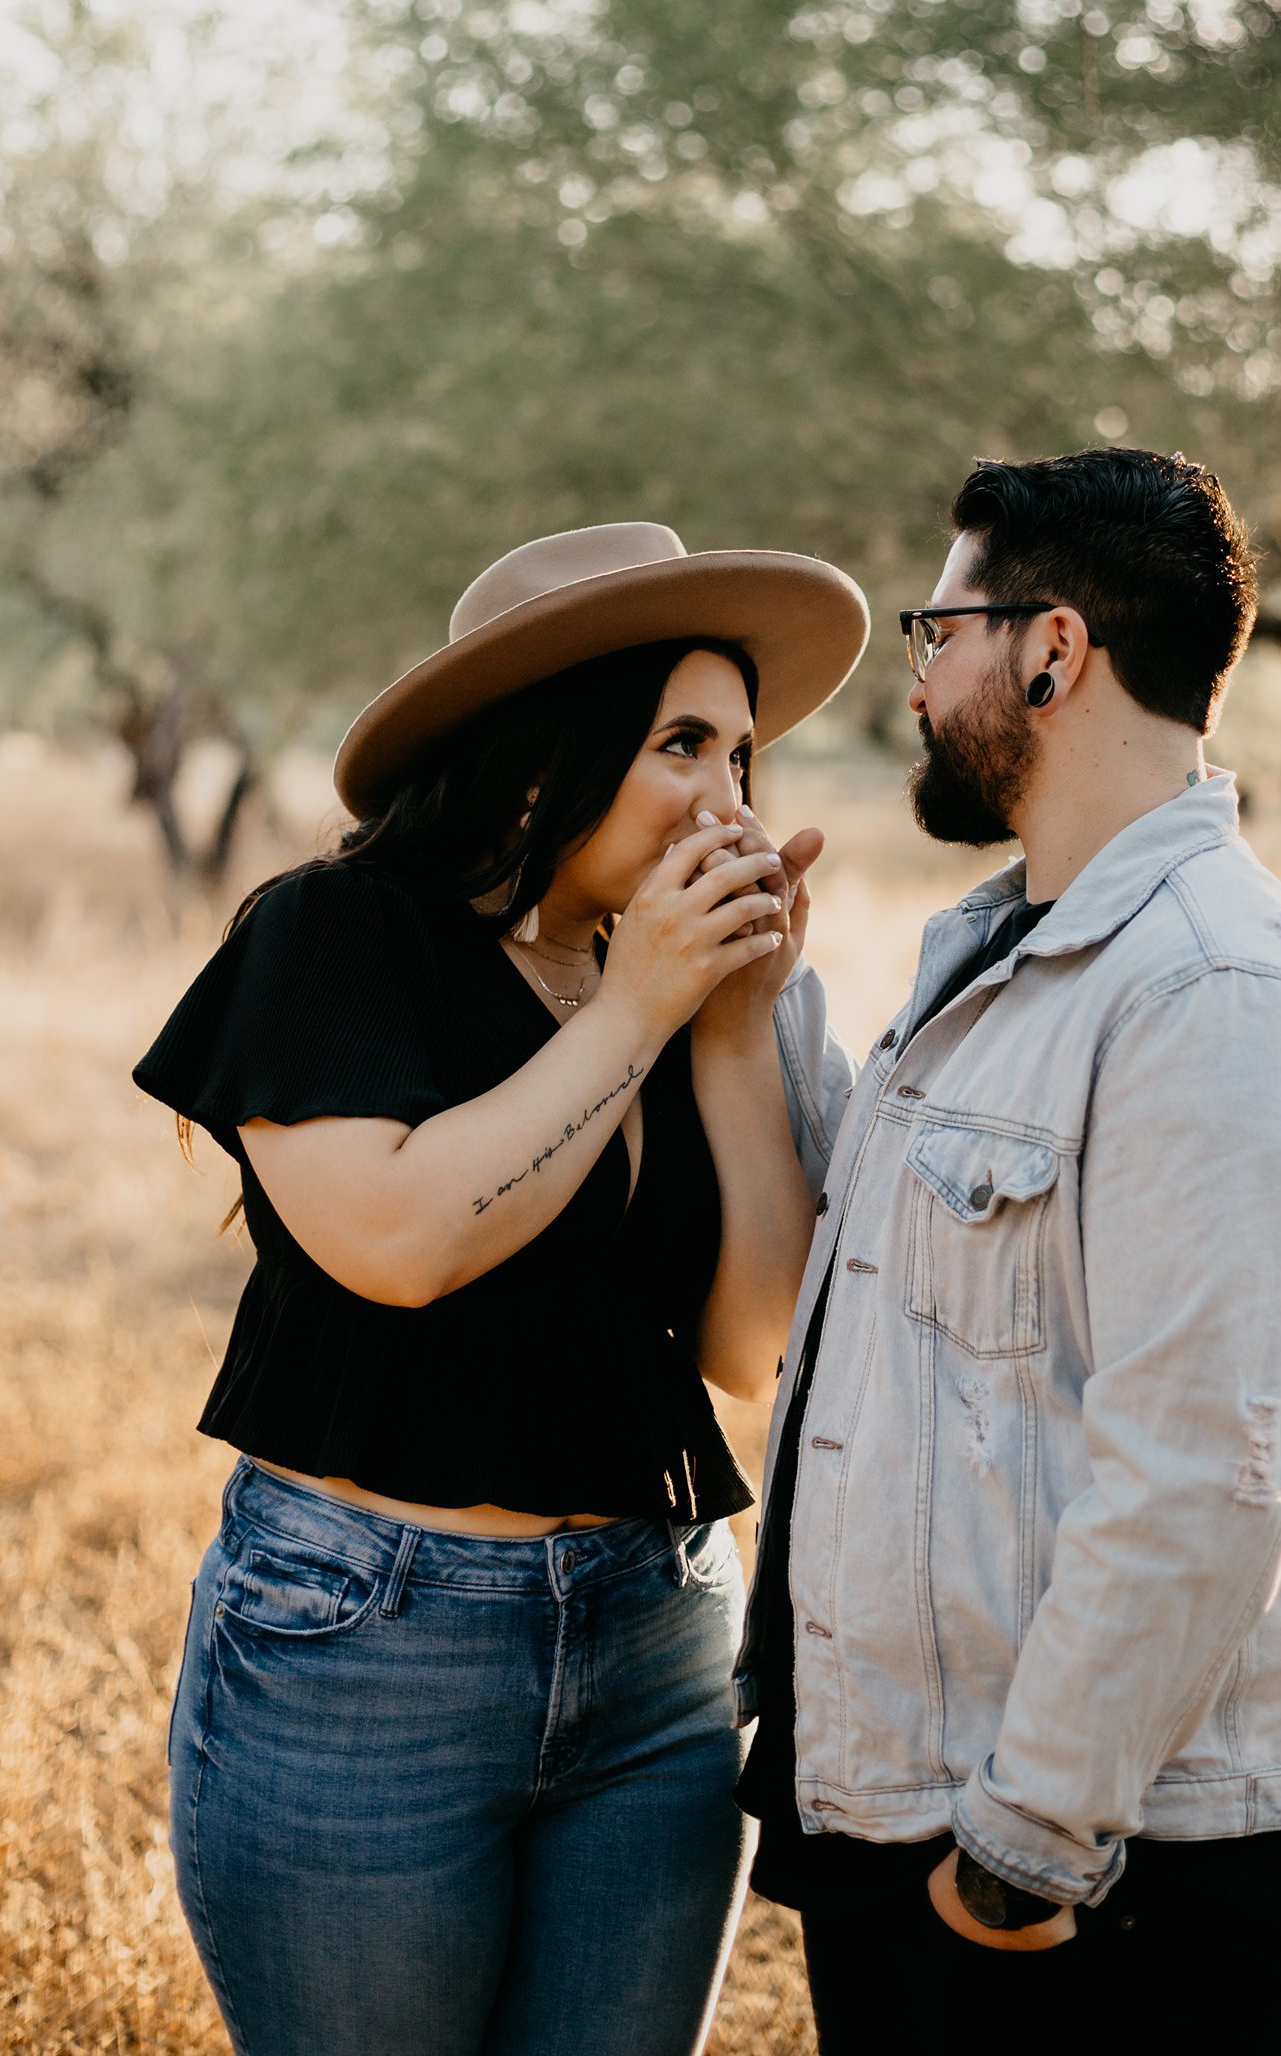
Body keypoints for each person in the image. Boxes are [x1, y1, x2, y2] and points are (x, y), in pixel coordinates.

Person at [133, 521, 867, 2056]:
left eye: (743, 754)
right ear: (541, 757)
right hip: (365, 1646)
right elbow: (400, 1244)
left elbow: (752, 1346)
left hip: (658, 1637)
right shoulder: (332, 936)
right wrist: (644, 1002)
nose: (729, 799)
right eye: (682, 745)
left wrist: (730, 1027)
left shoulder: (677, 980)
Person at [735, 450, 1281, 2056]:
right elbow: (879, 1276)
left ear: (1051, 651)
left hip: (1095, 1875)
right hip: (927, 1812)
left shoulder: (1204, 994)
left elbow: (1199, 1463)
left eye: (934, 631)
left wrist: (1026, 1846)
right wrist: (758, 1004)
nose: (918, 678)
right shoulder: (1023, 946)